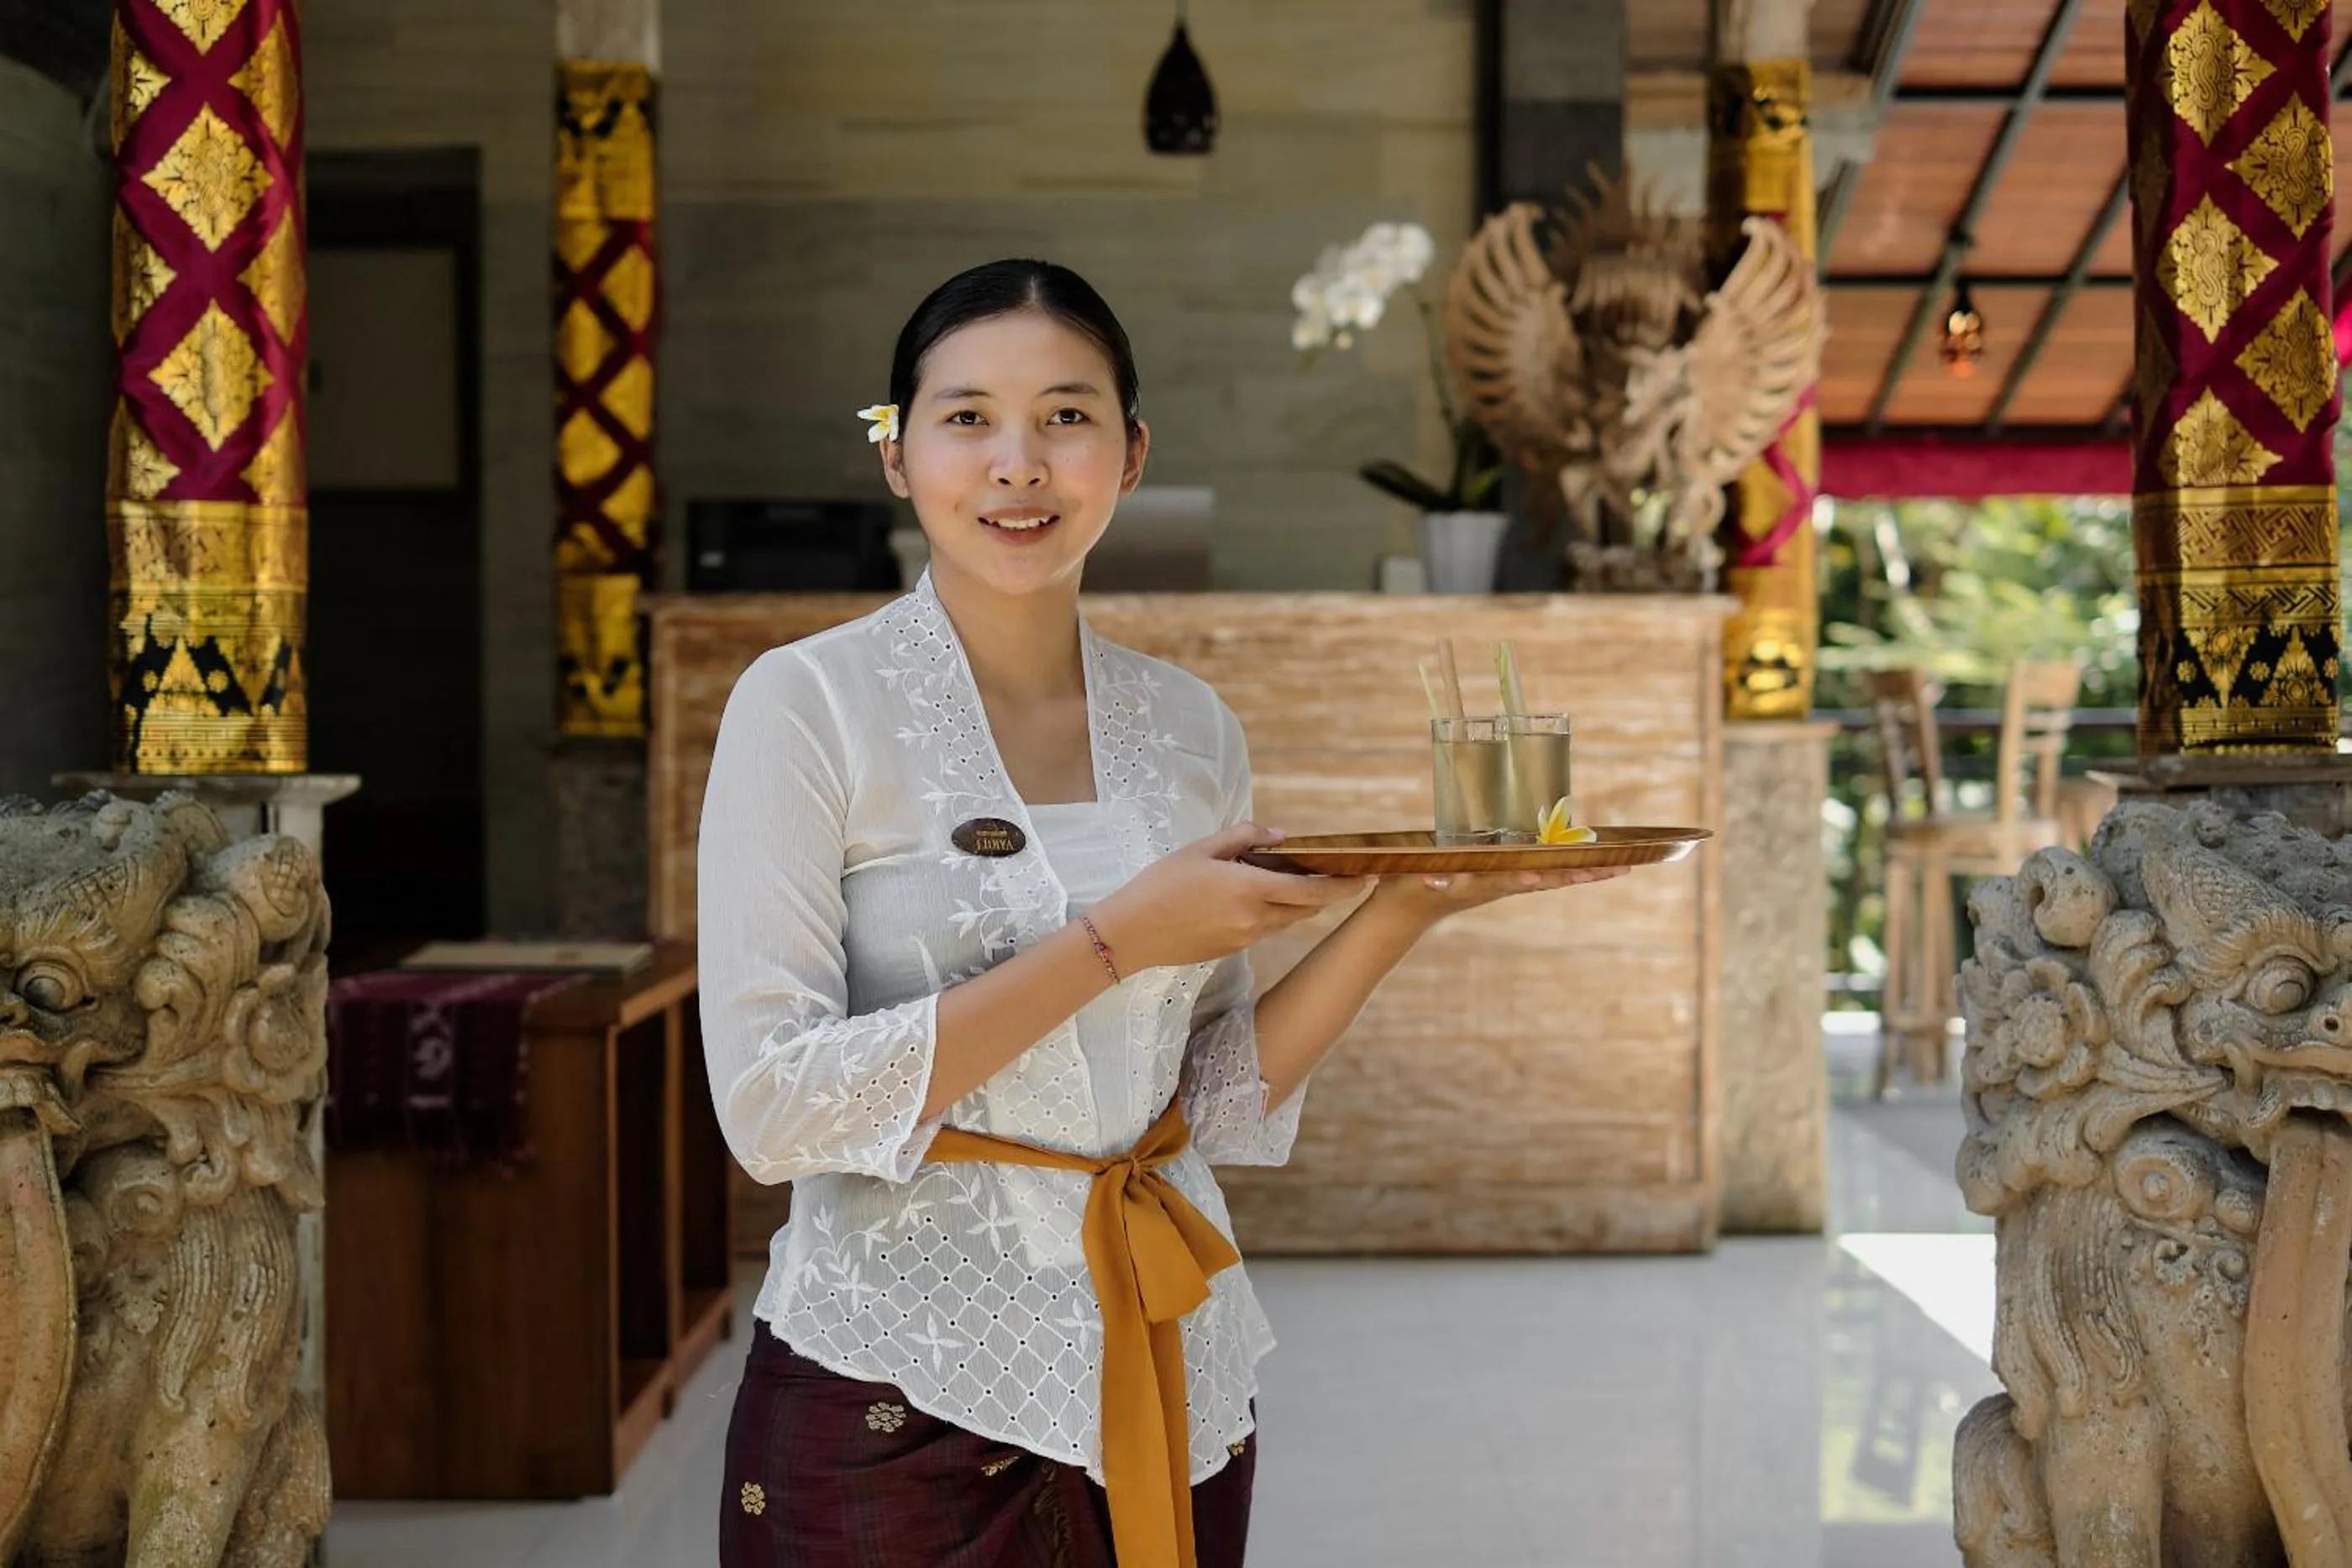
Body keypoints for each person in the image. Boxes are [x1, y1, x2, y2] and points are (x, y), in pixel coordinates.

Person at [698, 258, 1626, 1568]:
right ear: (897, 454)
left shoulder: (1190, 729)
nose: (1017, 462)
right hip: (890, 1388)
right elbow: (772, 1109)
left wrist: (1402, 910)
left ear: (1130, 454)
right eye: (966, 417)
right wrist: (1114, 940)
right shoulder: (805, 706)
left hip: (1170, 1361)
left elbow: (1214, 1104)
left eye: (1067, 415)